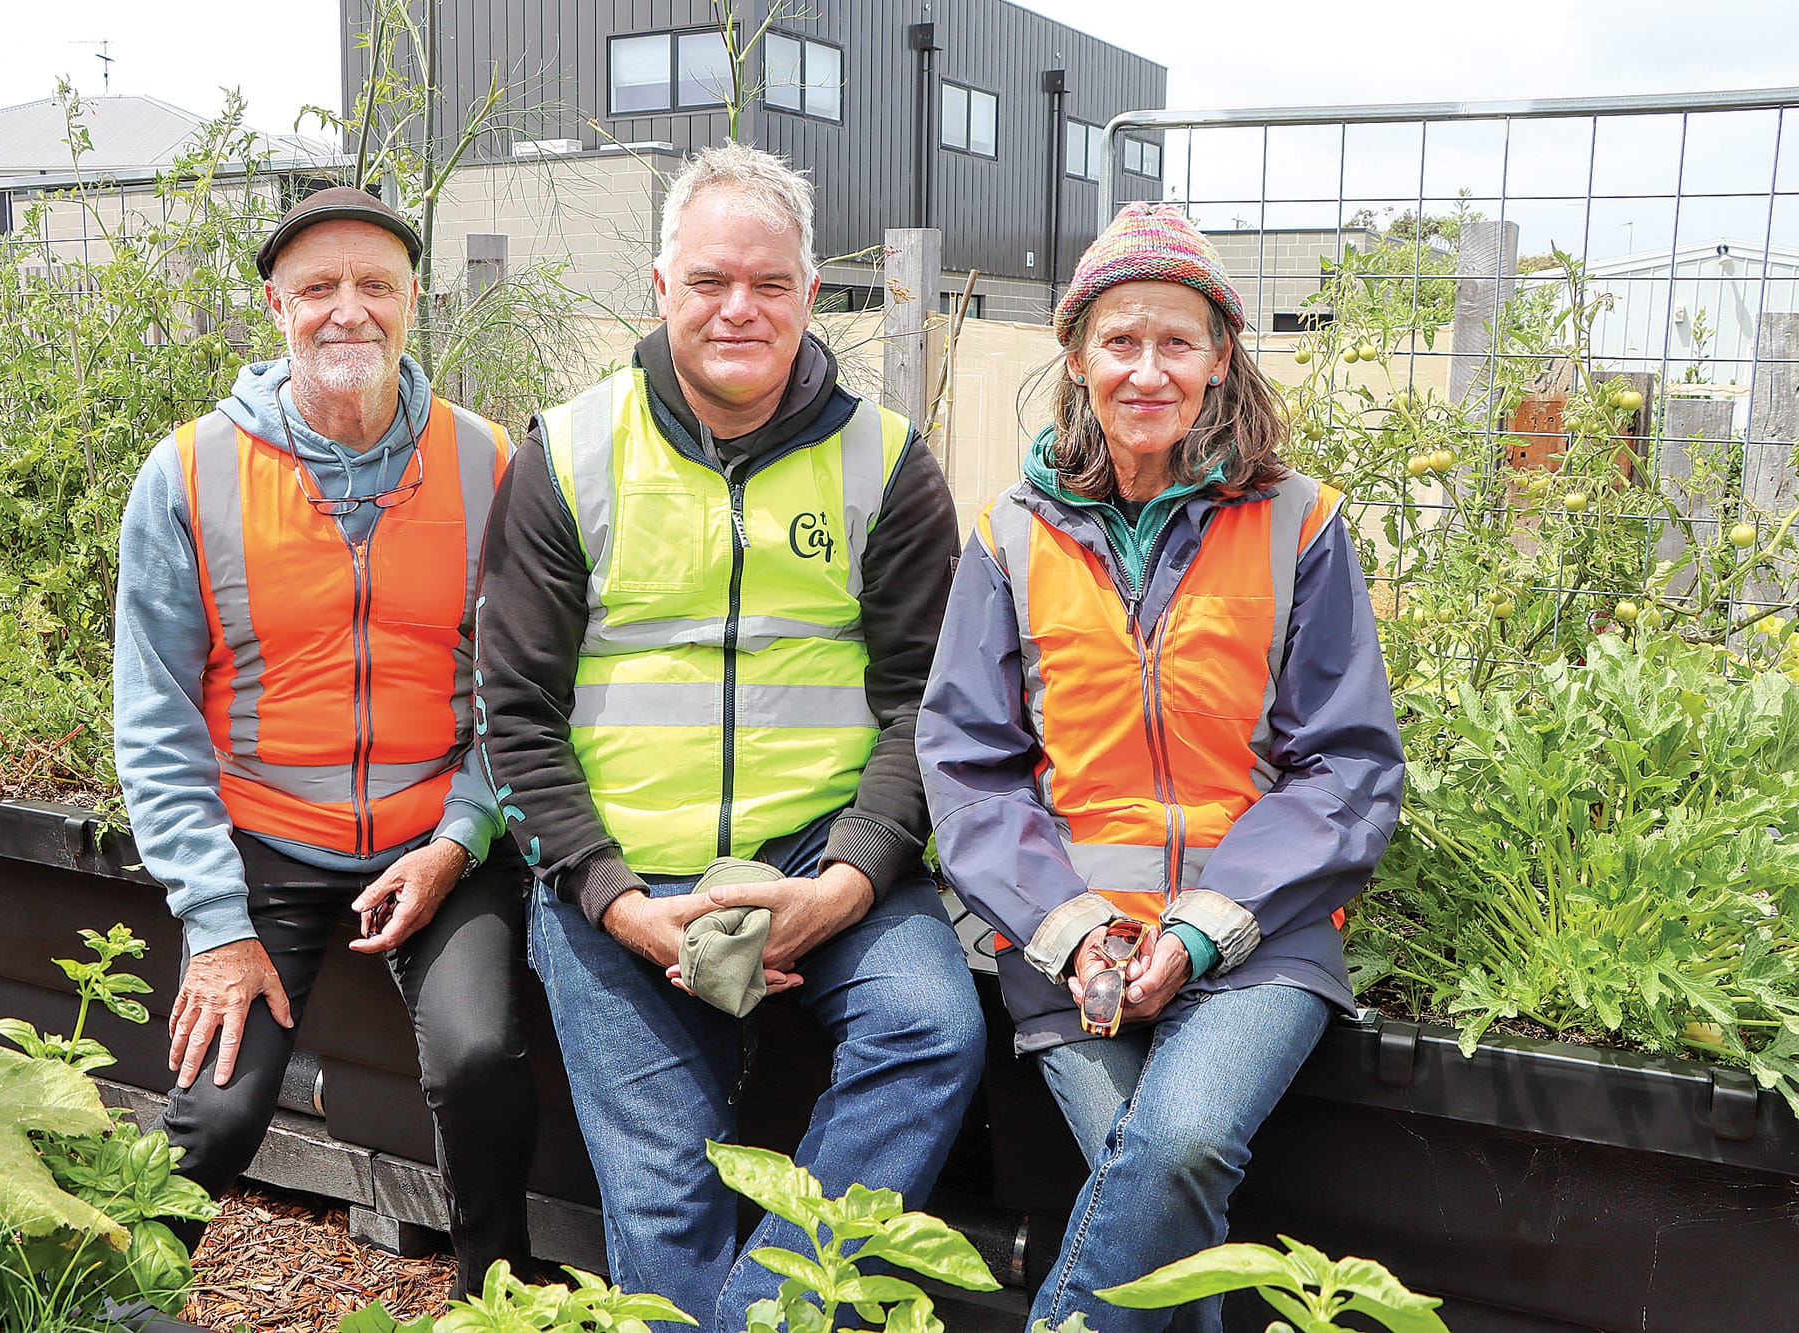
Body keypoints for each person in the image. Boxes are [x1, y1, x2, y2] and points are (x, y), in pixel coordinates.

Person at [474, 141, 985, 1329]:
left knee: (929, 1028)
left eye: (768, 284)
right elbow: (513, 715)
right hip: (623, 872)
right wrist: (607, 894)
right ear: (659, 290)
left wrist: (854, 877)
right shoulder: (566, 453)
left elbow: (929, 705)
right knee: (660, 1200)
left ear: (812, 294)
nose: (738, 310)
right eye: (709, 282)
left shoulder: (889, 465)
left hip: (822, 853)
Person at [916, 203, 1405, 1331]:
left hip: (1256, 940)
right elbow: (966, 763)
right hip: (1069, 947)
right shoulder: (1009, 536)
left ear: (1219, 356)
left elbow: (1345, 764)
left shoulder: (1298, 524)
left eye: (1175, 342)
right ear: (1076, 355)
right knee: (1166, 1204)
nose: (1146, 370)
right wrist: (1076, 926)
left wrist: (1195, 934)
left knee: (1175, 1145)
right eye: (1119, 341)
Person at [113, 186, 536, 1296]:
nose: (346, 311)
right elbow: (154, 719)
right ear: (275, 308)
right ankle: (94, 1299)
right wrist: (214, 921)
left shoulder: (489, 463)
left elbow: (522, 688)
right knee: (215, 1105)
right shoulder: (190, 474)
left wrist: (459, 835)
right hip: (265, 845)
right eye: (316, 289)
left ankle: (497, 1300)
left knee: (483, 1058)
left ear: (412, 303)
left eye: (374, 286)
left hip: (438, 839)